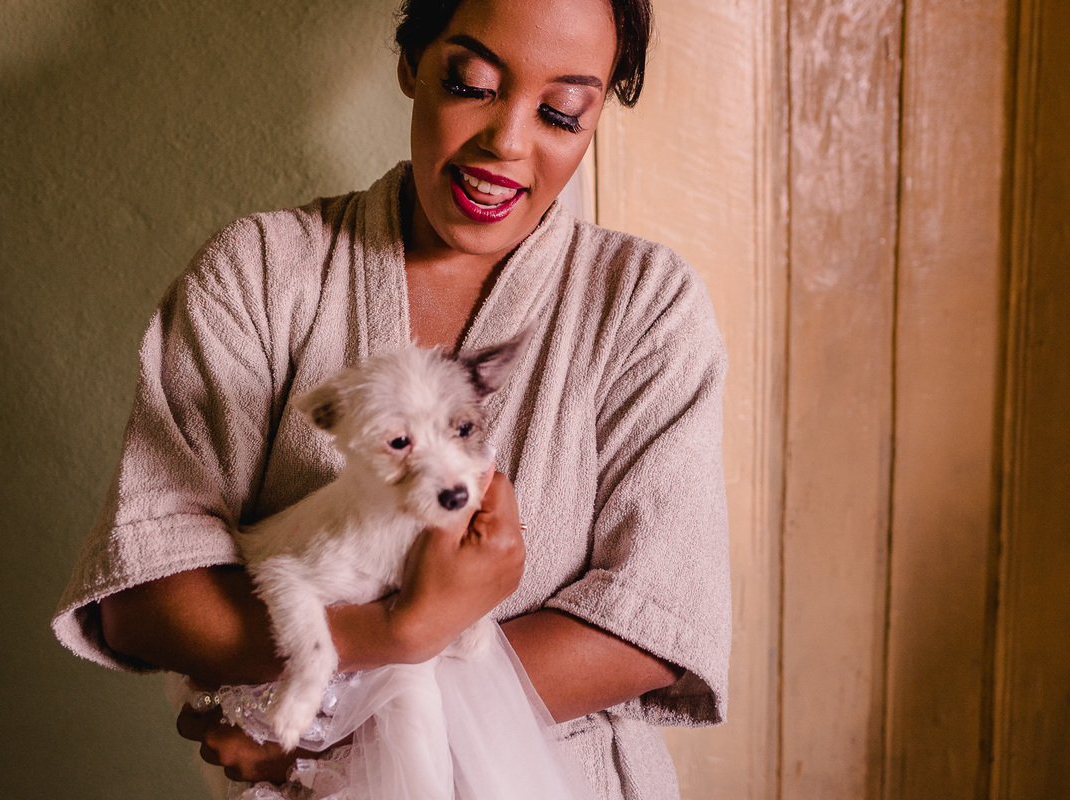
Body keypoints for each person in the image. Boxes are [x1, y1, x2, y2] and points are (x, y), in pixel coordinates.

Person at [51, 0, 731, 797]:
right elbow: (146, 592)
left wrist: (332, 726)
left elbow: (649, 625)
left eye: (560, 112)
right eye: (471, 83)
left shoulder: (645, 305)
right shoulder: (260, 275)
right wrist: (392, 633)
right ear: (412, 61)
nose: (507, 143)